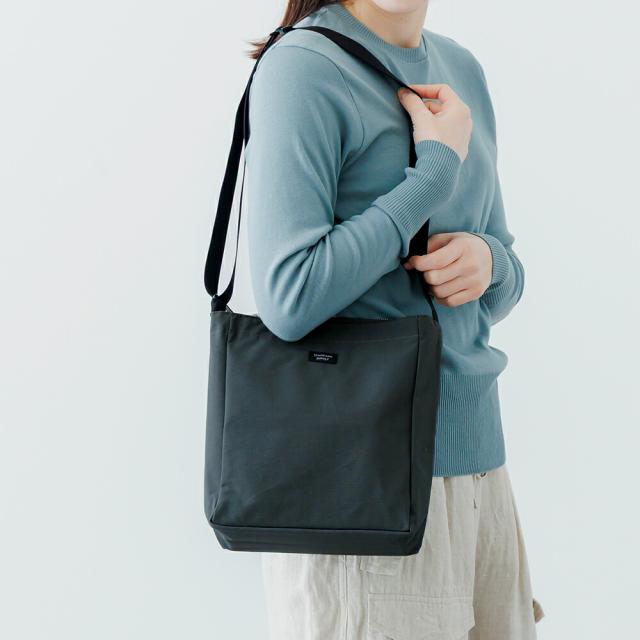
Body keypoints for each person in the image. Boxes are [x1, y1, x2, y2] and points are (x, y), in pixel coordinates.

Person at [244, 1, 544, 638]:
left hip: (481, 477)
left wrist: (487, 262)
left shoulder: (461, 67)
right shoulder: (302, 66)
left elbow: (502, 277)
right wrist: (431, 176)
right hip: (362, 492)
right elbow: (288, 297)